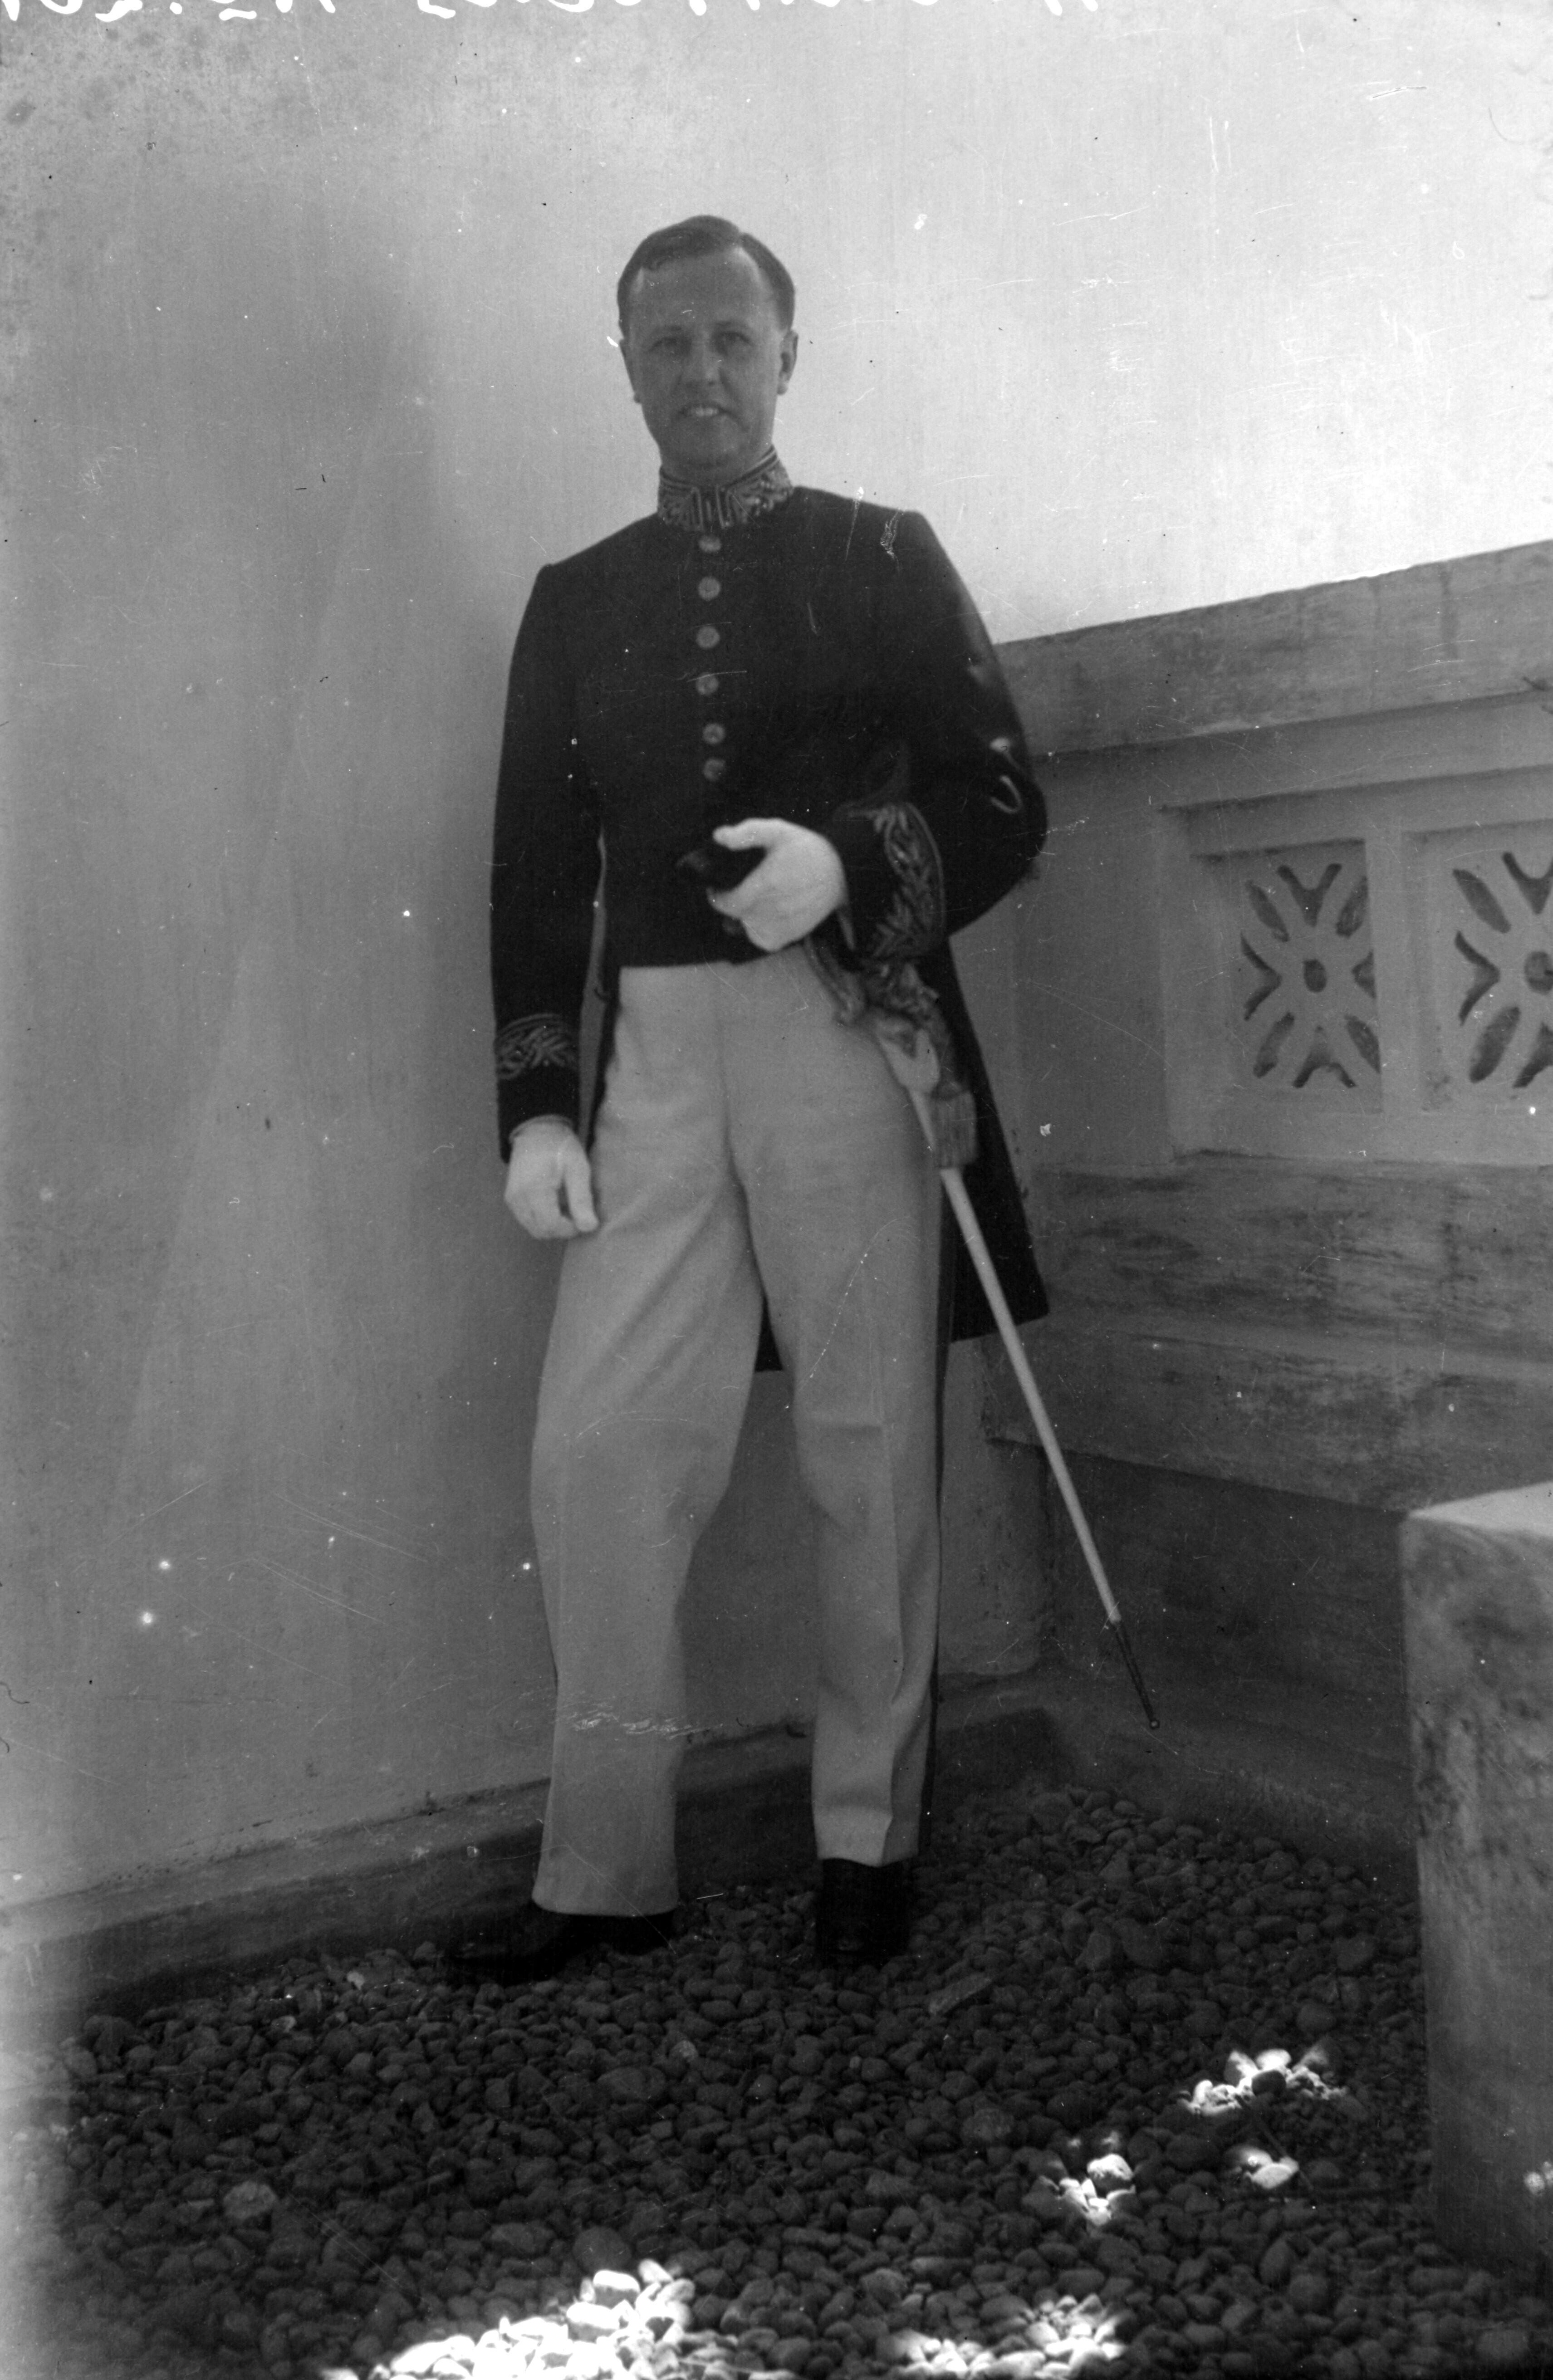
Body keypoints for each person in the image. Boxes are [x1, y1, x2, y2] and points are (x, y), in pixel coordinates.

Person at [458, 216, 1046, 1985]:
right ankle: (605, 1865)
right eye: (667, 345)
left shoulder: (885, 554)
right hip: (651, 1058)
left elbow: (1002, 799)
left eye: (732, 338)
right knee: (598, 1454)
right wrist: (538, 1107)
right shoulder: (576, 600)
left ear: (789, 354)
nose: (701, 372)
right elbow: (531, 869)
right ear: (627, 369)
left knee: (866, 1442)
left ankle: (870, 1837)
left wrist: (849, 864)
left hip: (845, 1032)